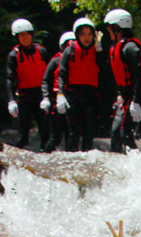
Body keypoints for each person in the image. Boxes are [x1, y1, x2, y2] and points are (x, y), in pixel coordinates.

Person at [103, 8, 141, 153]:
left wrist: (136, 101)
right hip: (126, 97)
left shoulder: (131, 48)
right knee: (116, 133)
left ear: (116, 27)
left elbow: (139, 76)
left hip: (135, 98)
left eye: (110, 28)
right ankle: (119, 165)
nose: (108, 32)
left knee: (124, 134)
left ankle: (139, 165)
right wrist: (120, 95)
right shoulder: (119, 46)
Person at [57, 17, 102, 152]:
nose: (86, 38)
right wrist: (60, 93)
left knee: (89, 132)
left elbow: (106, 74)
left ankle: (87, 160)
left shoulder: (97, 51)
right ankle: (72, 160)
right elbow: (62, 74)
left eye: (89, 34)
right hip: (73, 95)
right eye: (82, 34)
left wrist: (100, 51)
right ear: (77, 35)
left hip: (90, 96)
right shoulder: (69, 50)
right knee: (74, 133)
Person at [6, 18, 49, 150]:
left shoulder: (41, 51)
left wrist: (49, 96)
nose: (25, 38)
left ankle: (45, 157)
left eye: (27, 34)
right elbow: (9, 79)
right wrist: (12, 101)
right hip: (25, 96)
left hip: (41, 95)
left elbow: (50, 73)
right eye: (22, 35)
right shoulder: (14, 55)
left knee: (45, 132)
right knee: (23, 134)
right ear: (17, 37)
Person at [40, 30, 74, 152]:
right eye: (67, 45)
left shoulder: (77, 61)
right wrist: (46, 98)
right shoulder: (55, 61)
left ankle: (71, 158)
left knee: (71, 135)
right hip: (56, 101)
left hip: (70, 100)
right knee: (56, 136)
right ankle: (45, 156)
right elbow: (45, 80)